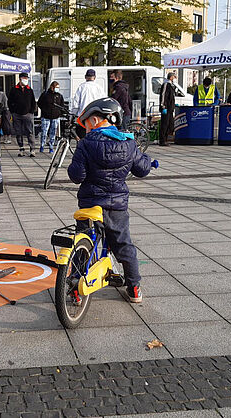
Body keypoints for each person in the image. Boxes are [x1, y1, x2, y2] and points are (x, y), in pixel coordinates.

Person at [67, 97, 154, 303]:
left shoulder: (86, 144)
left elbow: (76, 176)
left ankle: (75, 285)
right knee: (124, 245)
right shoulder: (129, 143)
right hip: (116, 206)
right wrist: (150, 161)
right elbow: (142, 170)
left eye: (86, 122)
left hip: (90, 204)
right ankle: (133, 287)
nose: (85, 127)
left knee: (84, 243)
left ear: (96, 120)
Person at [8, 72, 37, 157]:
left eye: (27, 78)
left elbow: (33, 101)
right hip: (17, 114)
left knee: (30, 132)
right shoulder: (14, 89)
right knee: (18, 132)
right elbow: (10, 101)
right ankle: (21, 148)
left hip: (28, 114)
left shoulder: (29, 89)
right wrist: (12, 111)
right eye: (24, 78)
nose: (26, 80)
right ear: (20, 79)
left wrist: (31, 111)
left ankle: (32, 149)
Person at [71, 69, 107, 139]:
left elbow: (76, 104)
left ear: (85, 77)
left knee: (83, 138)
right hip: (95, 117)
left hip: (83, 116)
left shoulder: (81, 87)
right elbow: (104, 101)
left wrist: (73, 115)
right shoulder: (99, 88)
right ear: (94, 77)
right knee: (95, 138)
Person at [37, 81, 65, 153]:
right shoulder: (45, 94)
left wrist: (59, 113)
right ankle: (42, 145)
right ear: (52, 87)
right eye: (56, 87)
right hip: (46, 116)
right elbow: (39, 103)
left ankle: (51, 146)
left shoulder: (59, 96)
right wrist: (44, 110)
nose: (57, 89)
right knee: (44, 131)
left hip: (55, 117)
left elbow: (62, 106)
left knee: (53, 132)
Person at [159, 72, 177, 147]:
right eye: (174, 77)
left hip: (170, 108)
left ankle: (166, 139)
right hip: (166, 107)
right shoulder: (166, 84)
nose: (174, 78)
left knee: (170, 124)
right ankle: (162, 140)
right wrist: (163, 106)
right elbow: (163, 95)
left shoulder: (171, 85)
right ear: (171, 77)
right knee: (164, 124)